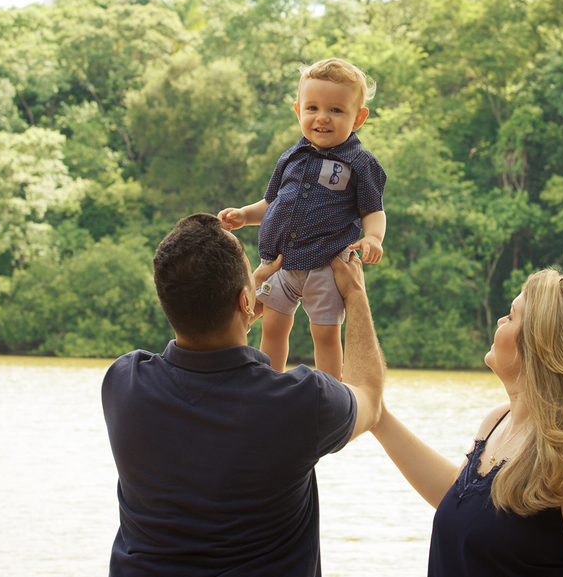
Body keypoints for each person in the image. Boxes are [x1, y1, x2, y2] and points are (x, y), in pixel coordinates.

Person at [101, 213, 383, 577]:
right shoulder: (301, 403)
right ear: (244, 300)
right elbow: (370, 398)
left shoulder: (124, 383)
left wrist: (240, 311)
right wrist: (355, 293)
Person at [371, 269, 563, 577]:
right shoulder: (497, 421)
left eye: (511, 317)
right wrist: (380, 420)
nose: (500, 322)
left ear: (541, 345)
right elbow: (462, 503)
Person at [218, 57, 387, 380]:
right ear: (298, 111)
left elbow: (373, 211)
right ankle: (267, 382)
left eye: (336, 110)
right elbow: (272, 203)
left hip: (325, 262)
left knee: (324, 333)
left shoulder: (360, 164)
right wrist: (244, 215)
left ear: (358, 118)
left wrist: (373, 238)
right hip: (282, 261)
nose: (322, 118)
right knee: (273, 326)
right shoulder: (291, 158)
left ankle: (330, 389)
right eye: (312, 108)